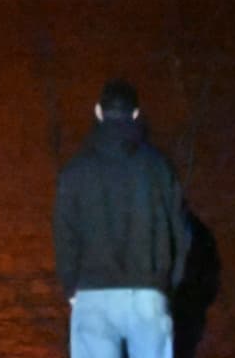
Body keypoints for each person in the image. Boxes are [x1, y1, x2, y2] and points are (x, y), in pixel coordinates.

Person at [53, 78, 191, 358]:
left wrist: (71, 287)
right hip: (148, 294)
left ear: (98, 112)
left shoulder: (75, 170)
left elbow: (64, 233)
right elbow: (182, 233)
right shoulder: (159, 167)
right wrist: (167, 285)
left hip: (92, 294)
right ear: (137, 114)